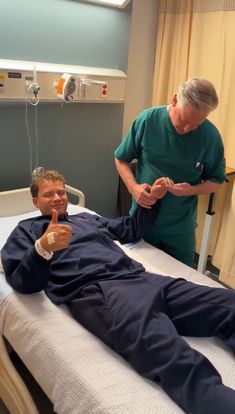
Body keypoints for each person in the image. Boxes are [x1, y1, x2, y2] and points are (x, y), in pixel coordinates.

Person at [2, 169, 235, 414]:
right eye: (49, 194)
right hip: (102, 293)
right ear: (35, 202)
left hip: (141, 277)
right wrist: (43, 248)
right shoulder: (26, 231)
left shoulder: (85, 219)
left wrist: (150, 200)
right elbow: (22, 281)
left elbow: (129, 230)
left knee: (227, 304)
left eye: (61, 191)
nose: (58, 197)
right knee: (174, 358)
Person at [114, 77, 226, 266]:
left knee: (181, 283)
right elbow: (121, 158)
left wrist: (189, 190)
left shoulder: (210, 137)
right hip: (143, 220)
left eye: (196, 124)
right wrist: (133, 188)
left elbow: (216, 181)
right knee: (138, 277)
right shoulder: (148, 120)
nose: (187, 129)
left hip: (179, 229)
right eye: (184, 120)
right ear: (174, 100)